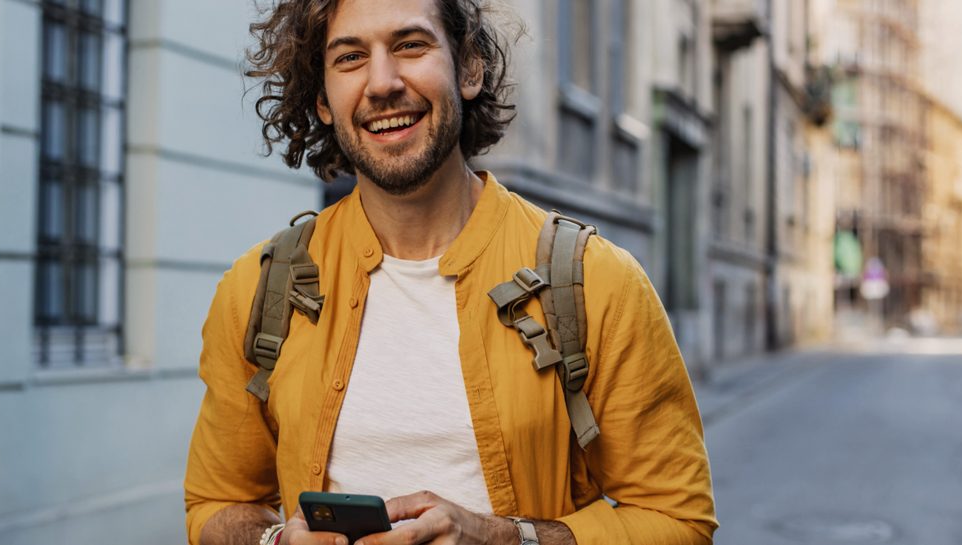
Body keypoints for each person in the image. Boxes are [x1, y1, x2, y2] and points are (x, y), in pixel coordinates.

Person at [184, 0, 717, 544]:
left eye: (410, 45)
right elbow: (217, 505)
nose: (382, 82)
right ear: (323, 98)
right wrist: (276, 541)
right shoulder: (258, 288)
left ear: (468, 68)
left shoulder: (596, 281)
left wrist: (505, 539)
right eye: (349, 58)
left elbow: (679, 522)